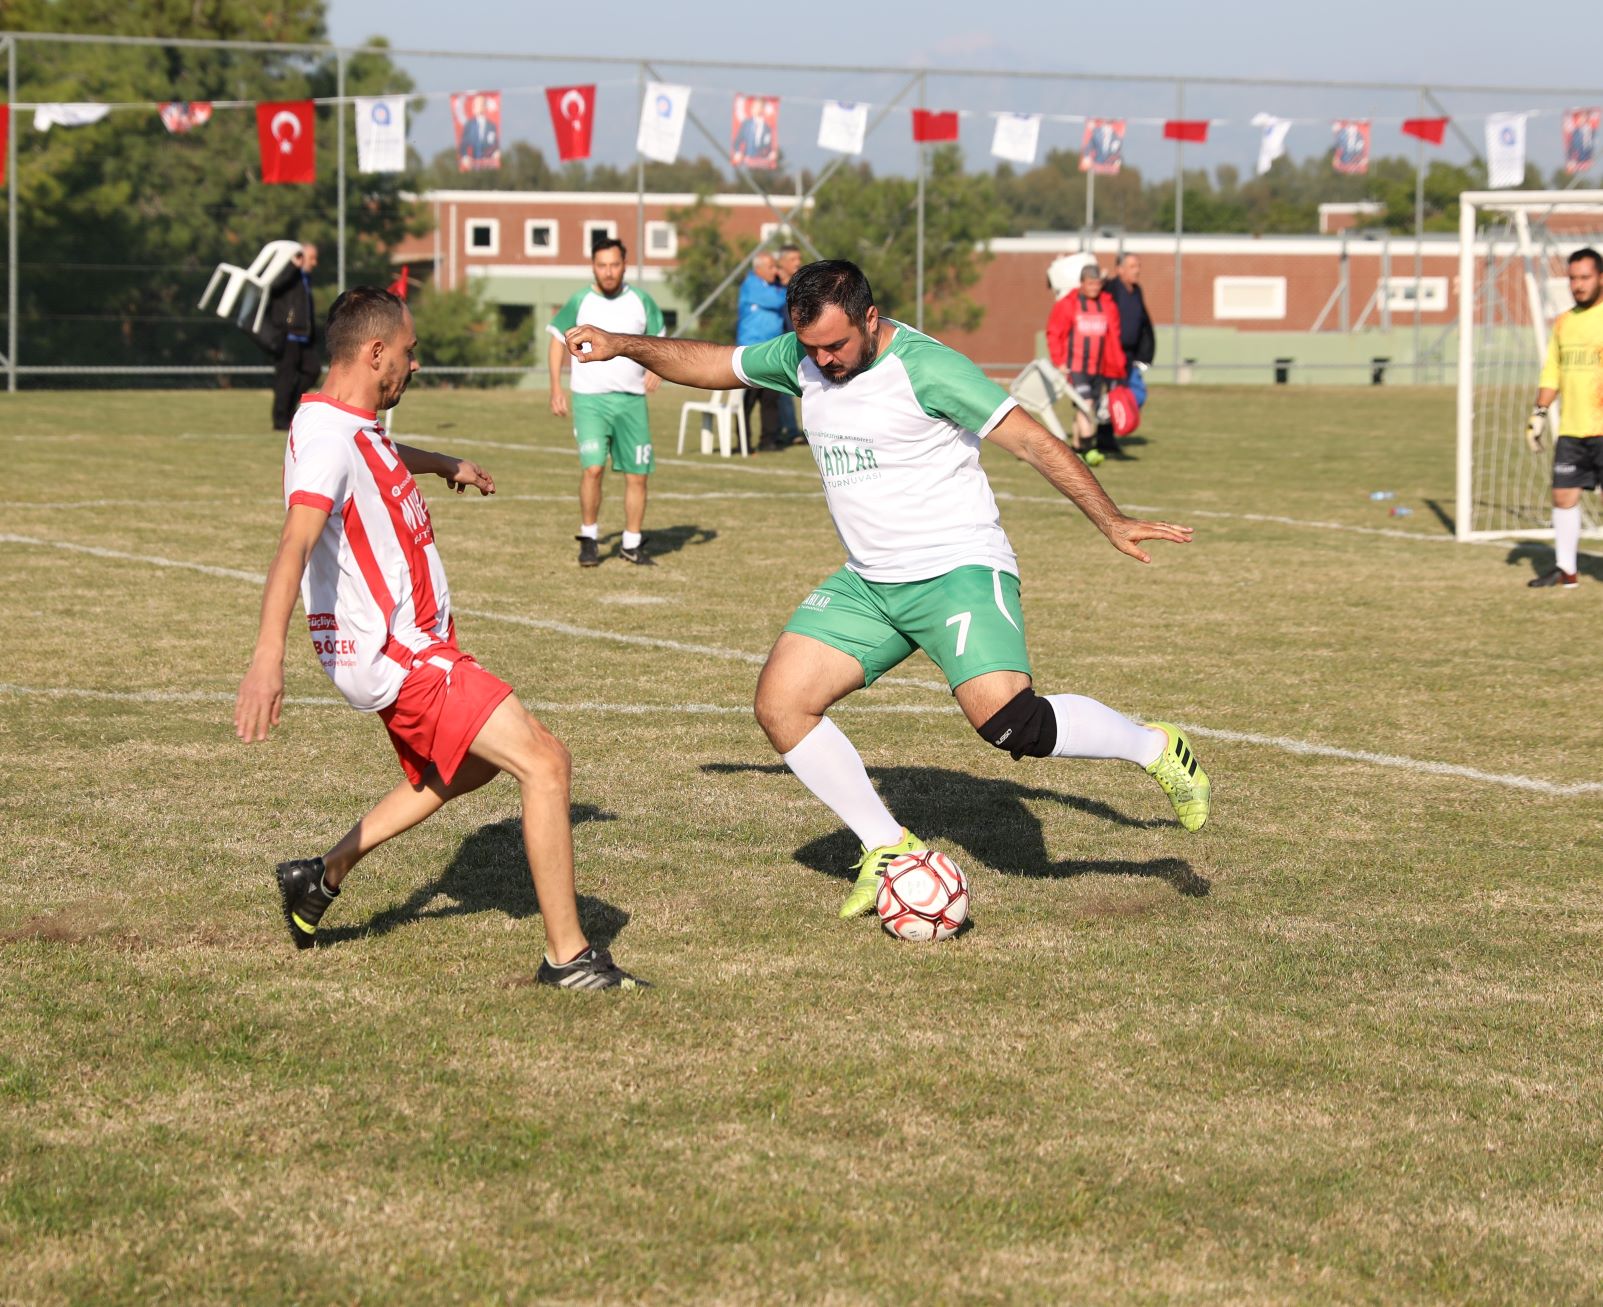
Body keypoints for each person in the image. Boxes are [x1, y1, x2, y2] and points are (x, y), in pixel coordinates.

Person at [564, 259, 1210, 920]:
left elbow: (1034, 443)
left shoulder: (928, 368)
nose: (824, 360)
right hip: (869, 582)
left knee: (1012, 724)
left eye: (836, 345)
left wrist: (1111, 519)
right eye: (811, 347)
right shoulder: (804, 355)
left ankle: (1153, 747)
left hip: (956, 568)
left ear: (870, 318)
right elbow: (710, 363)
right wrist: (624, 346)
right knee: (781, 705)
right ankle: (888, 847)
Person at [235, 284, 646, 991]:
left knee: (471, 767)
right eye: (408, 351)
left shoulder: (341, 417)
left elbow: (380, 452)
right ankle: (569, 958)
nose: (415, 364)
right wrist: (265, 659)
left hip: (412, 643)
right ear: (374, 353)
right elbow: (293, 544)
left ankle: (320, 875)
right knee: (545, 763)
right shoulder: (329, 440)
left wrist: (445, 463)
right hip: (399, 653)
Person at [547, 238, 666, 567]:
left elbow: (661, 341)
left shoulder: (641, 301)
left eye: (614, 264)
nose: (608, 271)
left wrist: (658, 369)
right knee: (594, 469)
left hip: (631, 401)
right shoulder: (581, 300)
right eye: (602, 265)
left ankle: (631, 543)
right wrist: (556, 385)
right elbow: (558, 340)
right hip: (590, 400)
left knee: (637, 475)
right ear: (593, 266)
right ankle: (589, 537)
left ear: (624, 265)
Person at [1525, 247, 1603, 588]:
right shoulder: (1564, 322)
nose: (1578, 285)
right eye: (1573, 278)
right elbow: (1552, 371)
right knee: (1563, 496)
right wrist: (1539, 414)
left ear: (1601, 278)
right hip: (1572, 428)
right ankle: (1566, 571)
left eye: (1585, 278)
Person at [1046, 262, 1127, 465]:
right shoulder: (1068, 304)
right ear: (1081, 283)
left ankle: (1076, 449)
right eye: (1090, 283)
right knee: (1086, 405)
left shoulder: (1107, 304)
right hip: (1076, 368)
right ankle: (1091, 449)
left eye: (1097, 283)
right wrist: (1059, 361)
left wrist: (1116, 365)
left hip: (1098, 368)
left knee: (1085, 407)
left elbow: (1114, 338)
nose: (1094, 287)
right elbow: (1054, 333)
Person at [736, 251, 791, 451]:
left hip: (772, 352)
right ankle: (743, 442)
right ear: (758, 269)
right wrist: (786, 284)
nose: (775, 271)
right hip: (751, 352)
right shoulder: (752, 285)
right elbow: (777, 301)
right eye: (771, 267)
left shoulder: (773, 287)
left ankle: (768, 440)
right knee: (747, 401)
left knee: (770, 399)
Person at [266, 241, 320, 432]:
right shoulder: (288, 276)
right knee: (285, 378)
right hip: (287, 335)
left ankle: (290, 410)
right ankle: (280, 420)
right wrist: (291, 266)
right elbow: (274, 287)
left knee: (312, 370)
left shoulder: (306, 279)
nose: (314, 263)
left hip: (303, 336)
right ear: (300, 257)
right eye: (311, 258)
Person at [1107, 253, 1156, 407]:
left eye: (1138, 266)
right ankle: (1104, 431)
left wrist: (1146, 352)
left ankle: (1115, 428)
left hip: (1131, 356)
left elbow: (1144, 323)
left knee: (1137, 395)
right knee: (1113, 395)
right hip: (1111, 355)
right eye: (1132, 267)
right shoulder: (1109, 288)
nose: (1137, 271)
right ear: (1119, 269)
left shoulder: (1136, 291)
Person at [774, 244, 805, 443]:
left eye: (799, 259)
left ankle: (798, 430)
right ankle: (790, 431)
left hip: (799, 339)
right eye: (793, 259)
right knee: (782, 389)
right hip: (779, 341)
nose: (798, 263)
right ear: (782, 262)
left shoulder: (801, 284)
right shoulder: (773, 285)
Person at [458, 93, 499, 169]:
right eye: (477, 104)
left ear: (485, 107)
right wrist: (465, 157)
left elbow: (495, 145)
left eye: (481, 104)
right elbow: (462, 147)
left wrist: (495, 153)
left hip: (489, 165)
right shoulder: (469, 126)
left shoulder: (491, 126)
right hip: (472, 165)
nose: (479, 107)